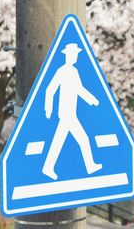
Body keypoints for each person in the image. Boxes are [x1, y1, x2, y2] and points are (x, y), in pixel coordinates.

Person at [42, 43, 102, 180]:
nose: (75, 56)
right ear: (68, 55)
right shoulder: (62, 71)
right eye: (74, 54)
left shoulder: (74, 71)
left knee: (60, 140)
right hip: (65, 113)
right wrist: (48, 108)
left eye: (76, 54)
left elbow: (79, 89)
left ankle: (48, 167)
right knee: (82, 139)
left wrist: (92, 99)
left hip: (70, 113)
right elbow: (49, 89)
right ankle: (90, 166)